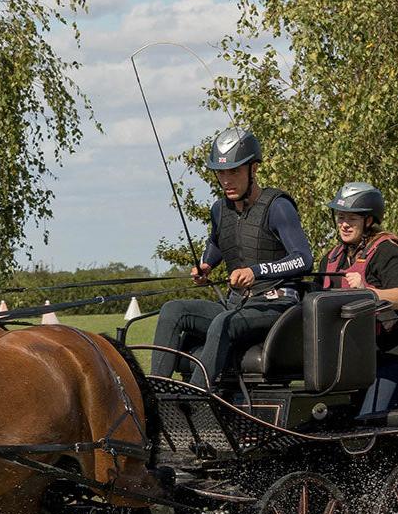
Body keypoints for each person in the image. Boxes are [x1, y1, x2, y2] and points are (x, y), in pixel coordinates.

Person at [151, 127, 313, 388]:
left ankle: (195, 398)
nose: (226, 180)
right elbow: (217, 242)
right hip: (236, 304)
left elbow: (303, 259)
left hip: (276, 306)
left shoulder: (278, 206)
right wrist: (205, 264)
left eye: (234, 171)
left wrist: (255, 272)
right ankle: (157, 392)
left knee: (223, 322)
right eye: (221, 172)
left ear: (253, 169)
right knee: (173, 310)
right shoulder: (220, 209)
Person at [318, 182, 398, 416]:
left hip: (388, 356)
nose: (344, 224)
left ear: (369, 221)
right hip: (347, 362)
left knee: (367, 421)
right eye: (340, 217)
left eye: (351, 219)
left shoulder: (387, 252)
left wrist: (369, 292)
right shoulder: (331, 259)